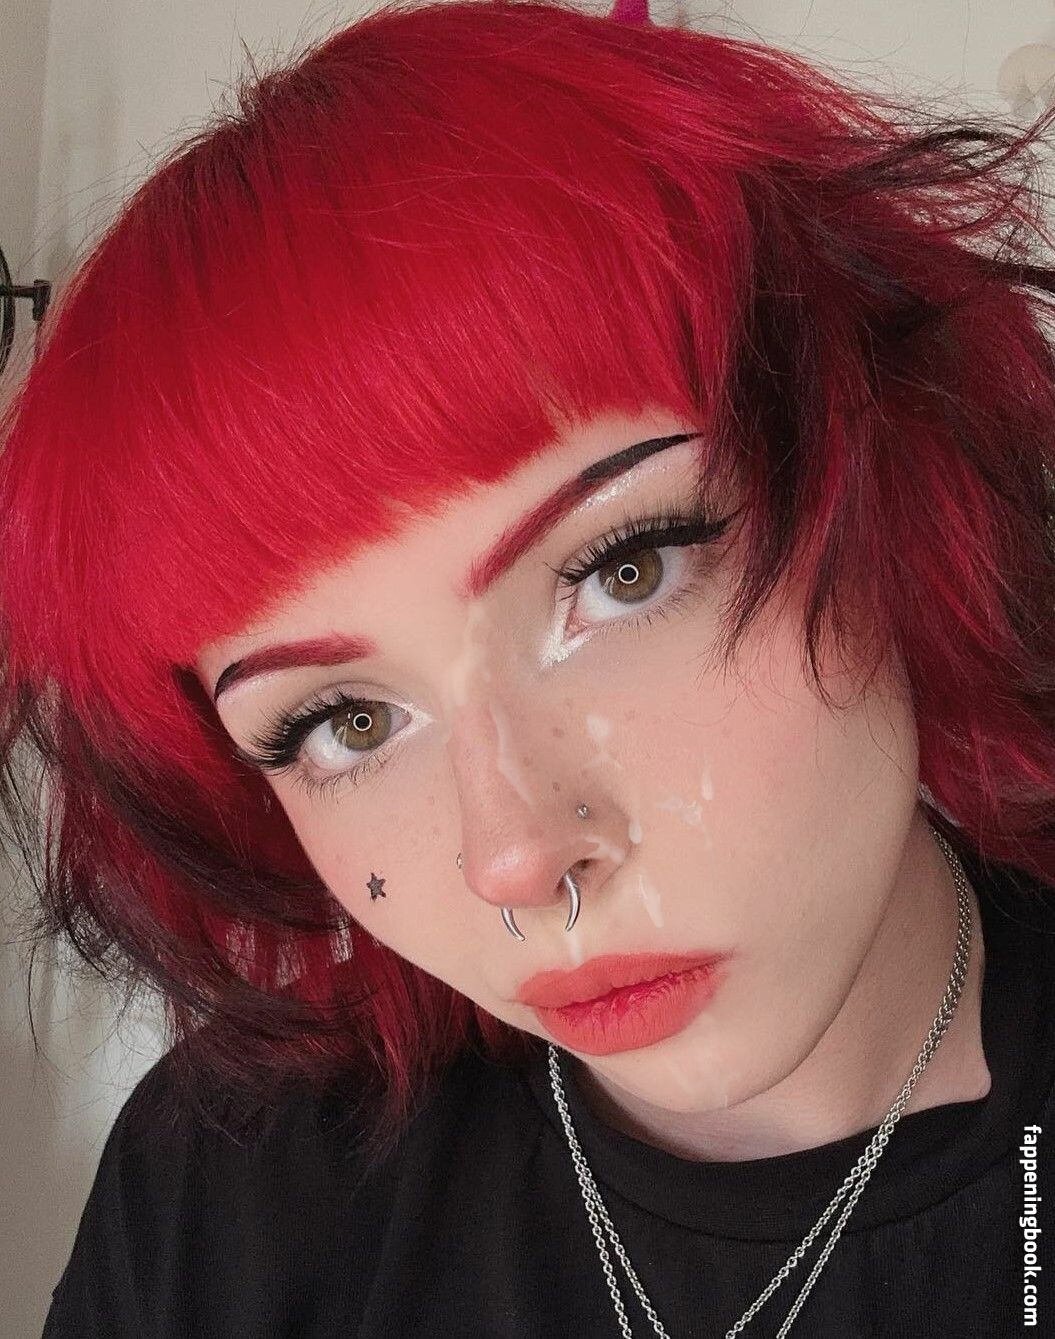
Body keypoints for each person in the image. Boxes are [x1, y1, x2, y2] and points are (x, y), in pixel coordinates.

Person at [3, 0, 1055, 1334]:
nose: (516, 857)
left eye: (627, 571)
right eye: (345, 720)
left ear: (886, 488)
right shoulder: (227, 1183)